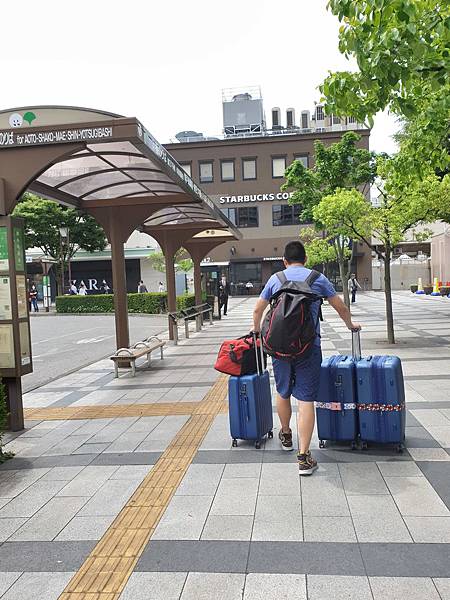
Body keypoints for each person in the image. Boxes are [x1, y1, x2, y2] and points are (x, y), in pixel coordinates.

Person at [252, 241, 361, 476]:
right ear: (306, 258)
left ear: (284, 260)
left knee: (282, 391)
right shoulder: (317, 278)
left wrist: (258, 335)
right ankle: (303, 457)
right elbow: (340, 307)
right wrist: (351, 325)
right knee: (305, 400)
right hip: (309, 348)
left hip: (279, 347)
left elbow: (257, 310)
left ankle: (286, 434)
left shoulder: (276, 279)